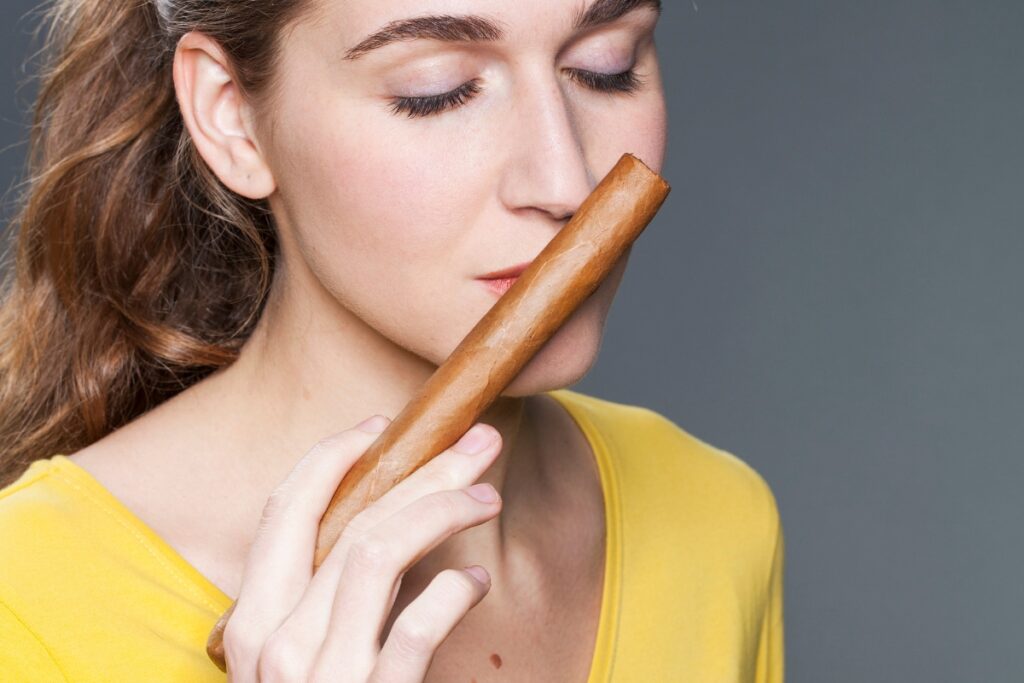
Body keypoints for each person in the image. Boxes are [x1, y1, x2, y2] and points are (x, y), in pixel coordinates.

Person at [0, 0, 784, 680]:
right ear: (231, 114)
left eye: (606, 67)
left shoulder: (717, 519)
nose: (567, 183)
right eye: (436, 92)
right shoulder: (23, 605)